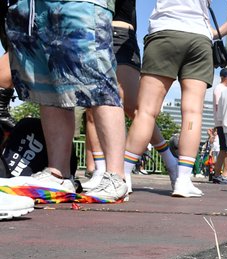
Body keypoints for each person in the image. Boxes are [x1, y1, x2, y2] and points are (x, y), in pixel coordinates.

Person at [1, 0, 133, 201]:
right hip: (32, 6)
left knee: (99, 82)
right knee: (48, 86)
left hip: (79, 3)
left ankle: (116, 177)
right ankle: (58, 174)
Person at [123, 0, 227, 197]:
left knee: (146, 111)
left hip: (164, 32)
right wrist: (214, 33)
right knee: (193, 112)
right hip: (199, 38)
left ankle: (123, 175)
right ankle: (183, 181)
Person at [83, 1, 178, 193]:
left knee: (135, 108)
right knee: (92, 107)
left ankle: (170, 161)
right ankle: (100, 171)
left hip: (119, 33)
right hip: (90, 30)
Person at [212, 68, 227, 184]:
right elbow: (219, 105)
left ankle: (221, 174)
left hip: (222, 122)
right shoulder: (220, 88)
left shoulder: (222, 88)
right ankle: (219, 174)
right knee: (225, 149)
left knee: (225, 149)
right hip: (223, 123)